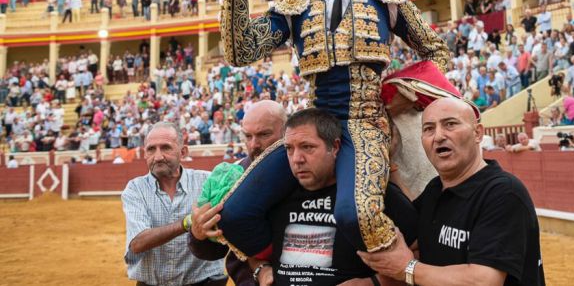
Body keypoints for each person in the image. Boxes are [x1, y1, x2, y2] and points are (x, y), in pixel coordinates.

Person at [218, 0, 449, 256]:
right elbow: (240, 53)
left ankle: (404, 274)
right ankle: (285, 271)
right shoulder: (293, 7)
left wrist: (410, 94)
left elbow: (436, 51)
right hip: (314, 125)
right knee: (234, 214)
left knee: (360, 216)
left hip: (367, 124)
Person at [358, 97, 546, 285]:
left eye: (450, 124)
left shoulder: (503, 193)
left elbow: (483, 281)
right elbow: (412, 233)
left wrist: (407, 268)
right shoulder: (435, 189)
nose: (438, 136)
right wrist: (385, 161)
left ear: (478, 133)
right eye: (429, 129)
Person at [249, 108, 417, 285]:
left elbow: (419, 253)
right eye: (289, 149)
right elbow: (250, 251)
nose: (297, 158)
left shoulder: (372, 195)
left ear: (335, 147)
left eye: (307, 147)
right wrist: (261, 270)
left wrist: (372, 283)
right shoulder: (275, 195)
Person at [188, 101, 287, 286]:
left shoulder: (304, 171)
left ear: (285, 131)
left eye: (264, 134)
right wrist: (199, 234)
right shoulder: (232, 175)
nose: (254, 144)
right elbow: (213, 251)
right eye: (247, 136)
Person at [121, 121, 226, 286]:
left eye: (166, 148)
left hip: (205, 282)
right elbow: (137, 243)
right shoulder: (135, 189)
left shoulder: (208, 181)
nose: (158, 157)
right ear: (145, 154)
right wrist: (188, 223)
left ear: (183, 151)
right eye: (151, 149)